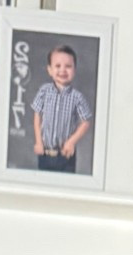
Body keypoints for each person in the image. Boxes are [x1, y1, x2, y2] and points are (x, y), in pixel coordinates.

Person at [31, 43, 93, 174]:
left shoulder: (77, 97)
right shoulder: (44, 91)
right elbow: (37, 117)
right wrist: (38, 141)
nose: (63, 70)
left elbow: (86, 122)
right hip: (45, 152)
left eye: (68, 66)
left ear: (74, 70)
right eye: (58, 66)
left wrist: (71, 142)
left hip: (65, 154)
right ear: (50, 70)